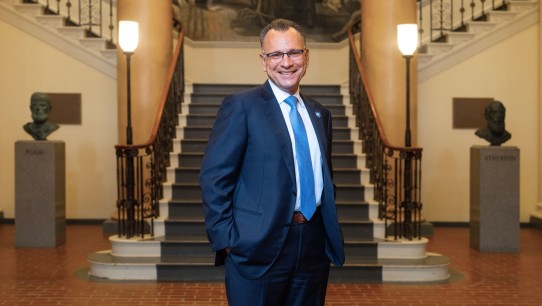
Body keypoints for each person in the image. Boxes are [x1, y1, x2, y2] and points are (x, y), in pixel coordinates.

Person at [199, 18, 345, 306]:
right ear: (263, 61)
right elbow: (214, 178)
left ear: (307, 56)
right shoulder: (241, 107)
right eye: (276, 54)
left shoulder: (320, 114)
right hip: (257, 248)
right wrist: (229, 241)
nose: (286, 62)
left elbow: (322, 176)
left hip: (313, 246)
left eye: (293, 52)